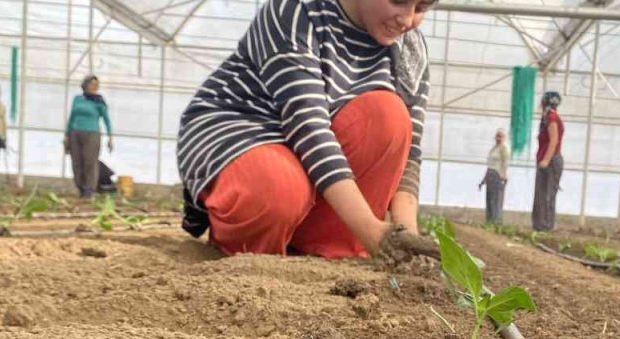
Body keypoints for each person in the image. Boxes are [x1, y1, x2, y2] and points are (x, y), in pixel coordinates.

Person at [174, 0, 439, 261]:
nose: (407, 20)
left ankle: (317, 246)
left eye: (421, 8)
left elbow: (409, 155)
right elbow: (309, 127)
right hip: (243, 129)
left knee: (389, 116)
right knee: (277, 189)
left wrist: (407, 237)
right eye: (398, 1)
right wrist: (372, 232)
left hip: (313, 154)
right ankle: (248, 242)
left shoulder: (410, 52)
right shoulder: (297, 11)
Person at [65, 75, 114, 198]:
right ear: (85, 85)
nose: (94, 87)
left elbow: (106, 119)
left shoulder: (99, 101)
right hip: (75, 133)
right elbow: (72, 117)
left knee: (90, 162)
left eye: (96, 85)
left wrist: (110, 136)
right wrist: (66, 134)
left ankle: (90, 189)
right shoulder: (77, 99)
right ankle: (80, 187)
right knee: (76, 161)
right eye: (92, 84)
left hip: (92, 133)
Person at [532, 91, 564, 232]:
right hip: (547, 160)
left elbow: (554, 140)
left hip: (551, 161)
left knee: (546, 194)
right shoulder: (548, 117)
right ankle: (539, 225)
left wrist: (545, 160)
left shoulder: (551, 117)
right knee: (541, 193)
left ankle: (545, 226)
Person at [479, 129, 510, 224]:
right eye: (497, 136)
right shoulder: (494, 148)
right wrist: (484, 179)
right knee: (489, 199)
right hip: (490, 174)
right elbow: (490, 164)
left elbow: (505, 163)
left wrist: (504, 176)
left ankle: (496, 221)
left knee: (496, 200)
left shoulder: (504, 148)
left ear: (504, 138)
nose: (498, 138)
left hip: (498, 175)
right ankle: (489, 221)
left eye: (500, 136)